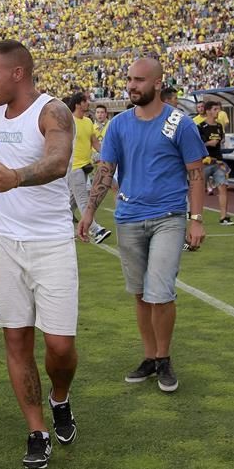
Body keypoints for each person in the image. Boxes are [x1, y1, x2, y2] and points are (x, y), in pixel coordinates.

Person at [0, 40, 80, 469]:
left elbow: (57, 161)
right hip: (4, 242)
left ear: (17, 73)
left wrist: (15, 177)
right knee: (16, 339)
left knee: (61, 346)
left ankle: (60, 398)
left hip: (51, 242)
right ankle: (37, 430)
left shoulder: (53, 111)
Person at [78, 57, 207, 394]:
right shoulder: (119, 125)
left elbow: (196, 174)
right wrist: (89, 213)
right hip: (129, 218)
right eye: (129, 79)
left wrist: (196, 220)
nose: (131, 86)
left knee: (160, 291)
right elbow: (106, 169)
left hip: (169, 217)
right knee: (139, 293)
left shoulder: (180, 123)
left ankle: (164, 358)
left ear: (157, 83)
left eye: (138, 80)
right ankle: (149, 357)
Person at [68, 92, 111, 243]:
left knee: (70, 203)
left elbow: (95, 143)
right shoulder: (69, 121)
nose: (88, 103)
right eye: (85, 101)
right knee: (83, 199)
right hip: (74, 167)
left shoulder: (87, 122)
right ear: (78, 104)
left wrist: (108, 155)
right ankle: (95, 230)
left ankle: (59, 227)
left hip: (86, 166)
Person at [198, 100, 234, 225]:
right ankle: (195, 216)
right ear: (208, 111)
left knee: (223, 187)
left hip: (218, 162)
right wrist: (208, 143)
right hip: (205, 162)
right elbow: (197, 144)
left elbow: (221, 139)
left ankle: (223, 217)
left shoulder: (219, 126)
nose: (218, 112)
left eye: (218, 109)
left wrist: (220, 141)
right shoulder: (201, 127)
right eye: (215, 109)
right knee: (198, 190)